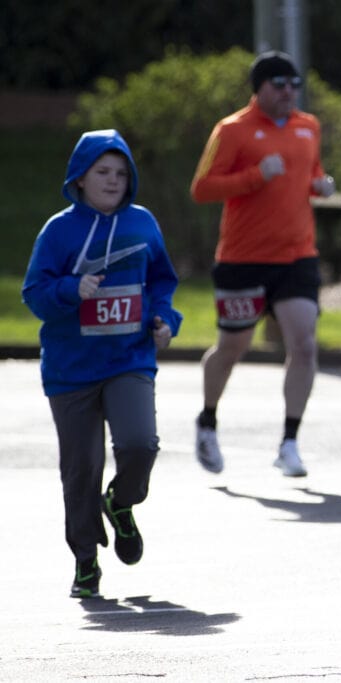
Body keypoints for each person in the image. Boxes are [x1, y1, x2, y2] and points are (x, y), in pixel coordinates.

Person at [22, 129, 183, 598]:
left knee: (140, 445)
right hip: (70, 370)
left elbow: (162, 281)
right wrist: (72, 291)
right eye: (102, 172)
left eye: (121, 173)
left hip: (129, 357)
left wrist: (164, 317)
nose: (113, 181)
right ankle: (86, 560)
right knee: (81, 467)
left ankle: (122, 501)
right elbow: (34, 294)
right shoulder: (59, 231)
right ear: (80, 177)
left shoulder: (143, 223)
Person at [190, 51, 336, 477]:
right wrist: (256, 175)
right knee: (234, 347)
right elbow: (202, 189)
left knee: (304, 345)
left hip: (296, 256)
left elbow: (312, 173)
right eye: (279, 84)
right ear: (260, 89)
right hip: (243, 259)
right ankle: (208, 421)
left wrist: (319, 185)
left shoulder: (308, 126)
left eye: (294, 84)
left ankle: (289, 441)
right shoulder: (232, 129)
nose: (289, 92)